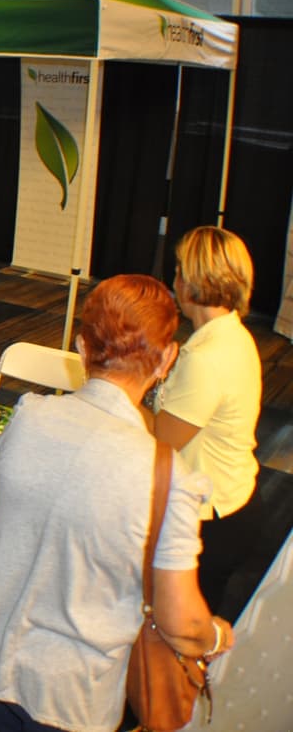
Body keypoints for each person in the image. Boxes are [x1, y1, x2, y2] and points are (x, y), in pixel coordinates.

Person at [0, 274, 235, 731]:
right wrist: (216, 634)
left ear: (81, 346)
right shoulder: (169, 477)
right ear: (167, 359)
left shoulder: (30, 415)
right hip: (70, 690)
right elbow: (181, 622)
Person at [154, 226, 262, 616]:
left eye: (180, 270)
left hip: (211, 517)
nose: (175, 280)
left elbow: (158, 442)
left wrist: (126, 387)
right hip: (234, 499)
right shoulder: (230, 334)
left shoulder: (206, 356)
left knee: (180, 632)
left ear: (193, 281)